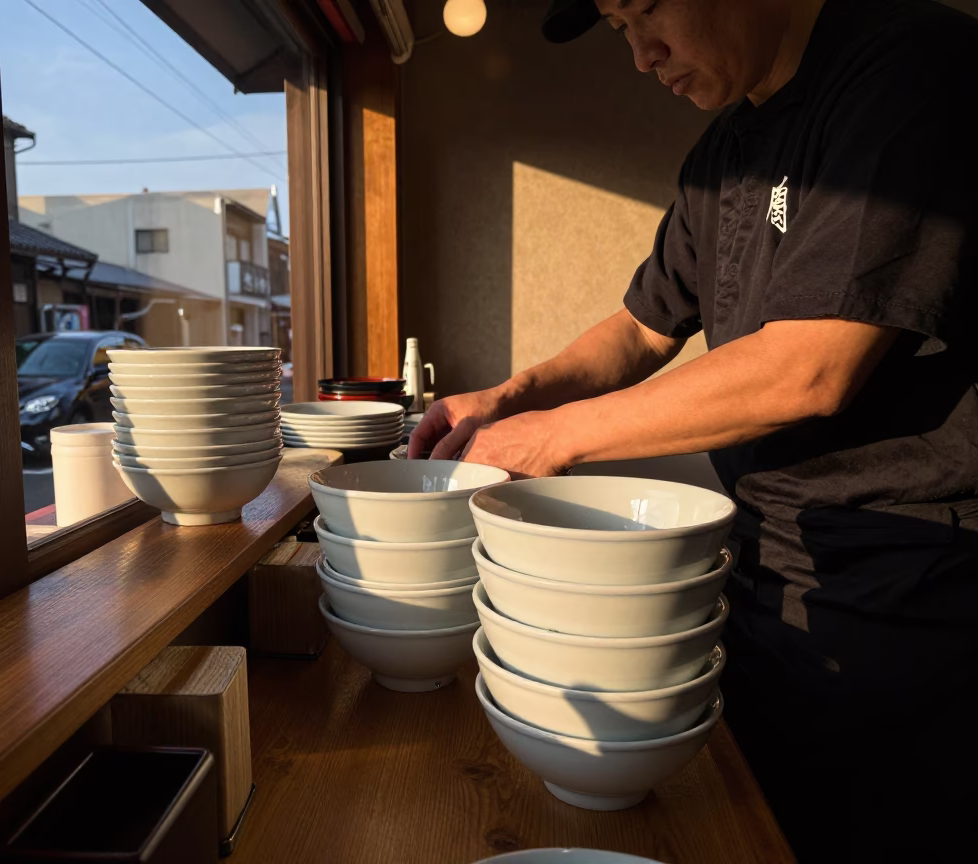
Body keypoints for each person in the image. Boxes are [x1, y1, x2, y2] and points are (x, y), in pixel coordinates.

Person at [409, 0, 978, 860]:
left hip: (908, 581)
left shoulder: (908, 68)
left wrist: (554, 438)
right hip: (760, 560)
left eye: (646, 9)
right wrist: (510, 398)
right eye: (619, 28)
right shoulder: (724, 150)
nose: (643, 54)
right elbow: (641, 330)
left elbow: (811, 367)